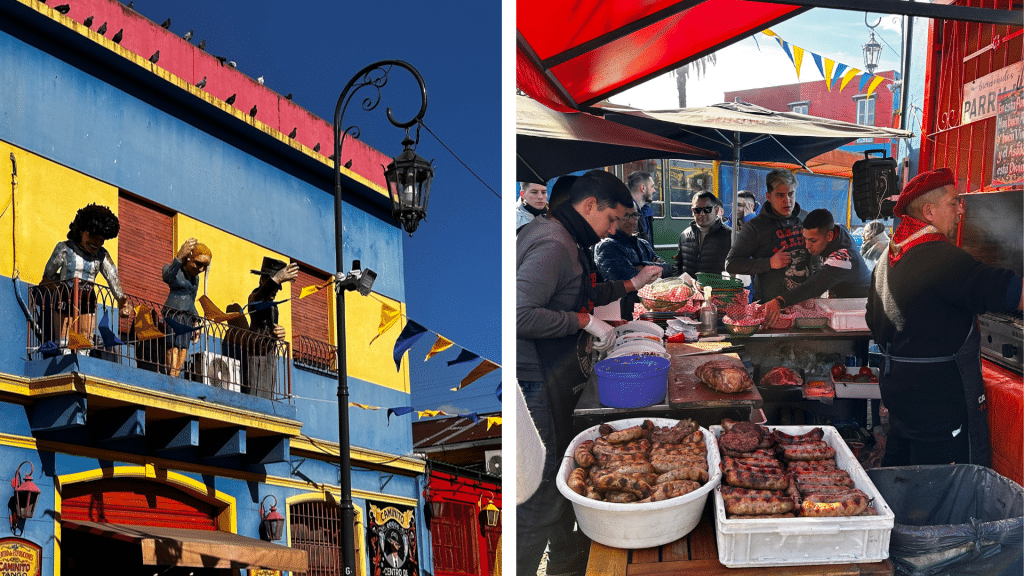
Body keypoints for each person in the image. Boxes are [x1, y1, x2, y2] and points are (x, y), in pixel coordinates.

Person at [517, 170, 662, 576]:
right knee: (542, 494)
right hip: (534, 381)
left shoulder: (567, 238)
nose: (613, 230)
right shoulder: (552, 243)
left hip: (550, 376)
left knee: (561, 482)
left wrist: (632, 282)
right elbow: (518, 313)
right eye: (612, 220)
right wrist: (582, 323)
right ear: (590, 205)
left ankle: (568, 566)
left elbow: (581, 292)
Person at [867, 168, 1022, 467]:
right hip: (939, 408)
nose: (961, 210)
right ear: (929, 212)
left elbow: (872, 320)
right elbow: (1014, 293)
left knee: (905, 483)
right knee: (947, 494)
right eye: (953, 203)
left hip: (900, 400)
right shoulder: (944, 258)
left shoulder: (888, 258)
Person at [41, 204, 131, 349]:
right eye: (93, 237)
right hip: (65, 294)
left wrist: (121, 300)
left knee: (85, 335)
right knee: (64, 335)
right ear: (81, 231)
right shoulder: (64, 248)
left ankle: (83, 356)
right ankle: (64, 354)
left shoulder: (101, 255)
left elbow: (112, 277)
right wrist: (51, 283)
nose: (97, 243)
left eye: (101, 239)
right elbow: (49, 273)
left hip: (88, 297)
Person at [760, 209, 871, 326]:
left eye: (813, 240)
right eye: (805, 239)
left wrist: (780, 301)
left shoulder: (843, 257)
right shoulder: (837, 229)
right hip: (843, 298)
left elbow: (815, 286)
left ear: (829, 236)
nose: (807, 246)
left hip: (859, 306)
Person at [725, 168, 816, 302]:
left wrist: (817, 289)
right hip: (770, 306)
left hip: (805, 302)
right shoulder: (755, 227)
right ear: (769, 196)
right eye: (780, 195)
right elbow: (732, 264)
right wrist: (769, 263)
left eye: (791, 194)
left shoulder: (805, 218)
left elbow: (815, 258)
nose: (787, 201)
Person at [595, 207, 673, 319]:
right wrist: (651, 267)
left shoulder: (644, 244)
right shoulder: (606, 246)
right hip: (621, 317)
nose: (631, 221)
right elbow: (629, 278)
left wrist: (642, 266)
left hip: (647, 313)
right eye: (625, 216)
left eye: (635, 216)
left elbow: (668, 269)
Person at [246, 257, 299, 398]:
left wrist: (280, 333)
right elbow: (260, 298)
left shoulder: (274, 307)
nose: (277, 290)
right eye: (275, 286)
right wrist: (277, 278)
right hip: (256, 350)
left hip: (270, 352)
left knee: (268, 389)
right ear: (263, 280)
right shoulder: (254, 297)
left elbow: (273, 328)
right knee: (255, 388)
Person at [161, 238, 212, 377]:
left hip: (187, 316)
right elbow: (167, 277)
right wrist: (178, 257)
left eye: (204, 266)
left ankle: (176, 375)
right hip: (174, 313)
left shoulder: (195, 278)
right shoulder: (175, 270)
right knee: (173, 345)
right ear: (189, 258)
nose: (201, 269)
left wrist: (196, 321)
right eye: (198, 264)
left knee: (183, 347)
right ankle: (171, 374)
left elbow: (191, 300)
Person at [674, 191, 732, 277]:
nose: (702, 214)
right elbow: (677, 266)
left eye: (707, 210)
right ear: (692, 211)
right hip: (689, 289)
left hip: (717, 289)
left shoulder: (730, 235)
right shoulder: (684, 235)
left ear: (716, 210)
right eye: (697, 210)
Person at [626, 170, 657, 245]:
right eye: (652, 186)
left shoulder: (646, 213)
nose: (654, 190)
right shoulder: (626, 215)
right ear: (643, 188)